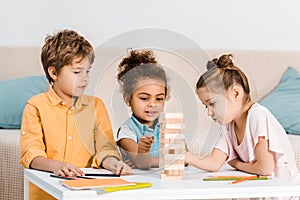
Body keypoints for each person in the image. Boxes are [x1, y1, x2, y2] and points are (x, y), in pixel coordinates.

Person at [20, 29, 132, 200]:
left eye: (87, 72)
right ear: (53, 73)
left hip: (86, 193)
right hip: (46, 193)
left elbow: (105, 148)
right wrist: (56, 166)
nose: (85, 79)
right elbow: (31, 154)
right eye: (77, 72)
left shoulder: (96, 106)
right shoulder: (35, 106)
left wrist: (113, 163)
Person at [185, 54, 300, 183]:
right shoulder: (228, 126)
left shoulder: (257, 116)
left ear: (235, 93)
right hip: (261, 191)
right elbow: (214, 163)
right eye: (206, 106)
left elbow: (265, 168)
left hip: (283, 193)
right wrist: (185, 156)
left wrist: (237, 164)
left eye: (212, 103)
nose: (209, 113)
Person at [116, 49, 169, 169]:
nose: (152, 104)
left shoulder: (167, 125)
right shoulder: (127, 130)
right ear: (128, 99)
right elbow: (143, 163)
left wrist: (150, 161)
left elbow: (184, 158)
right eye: (144, 98)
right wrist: (170, 159)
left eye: (159, 99)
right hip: (137, 184)